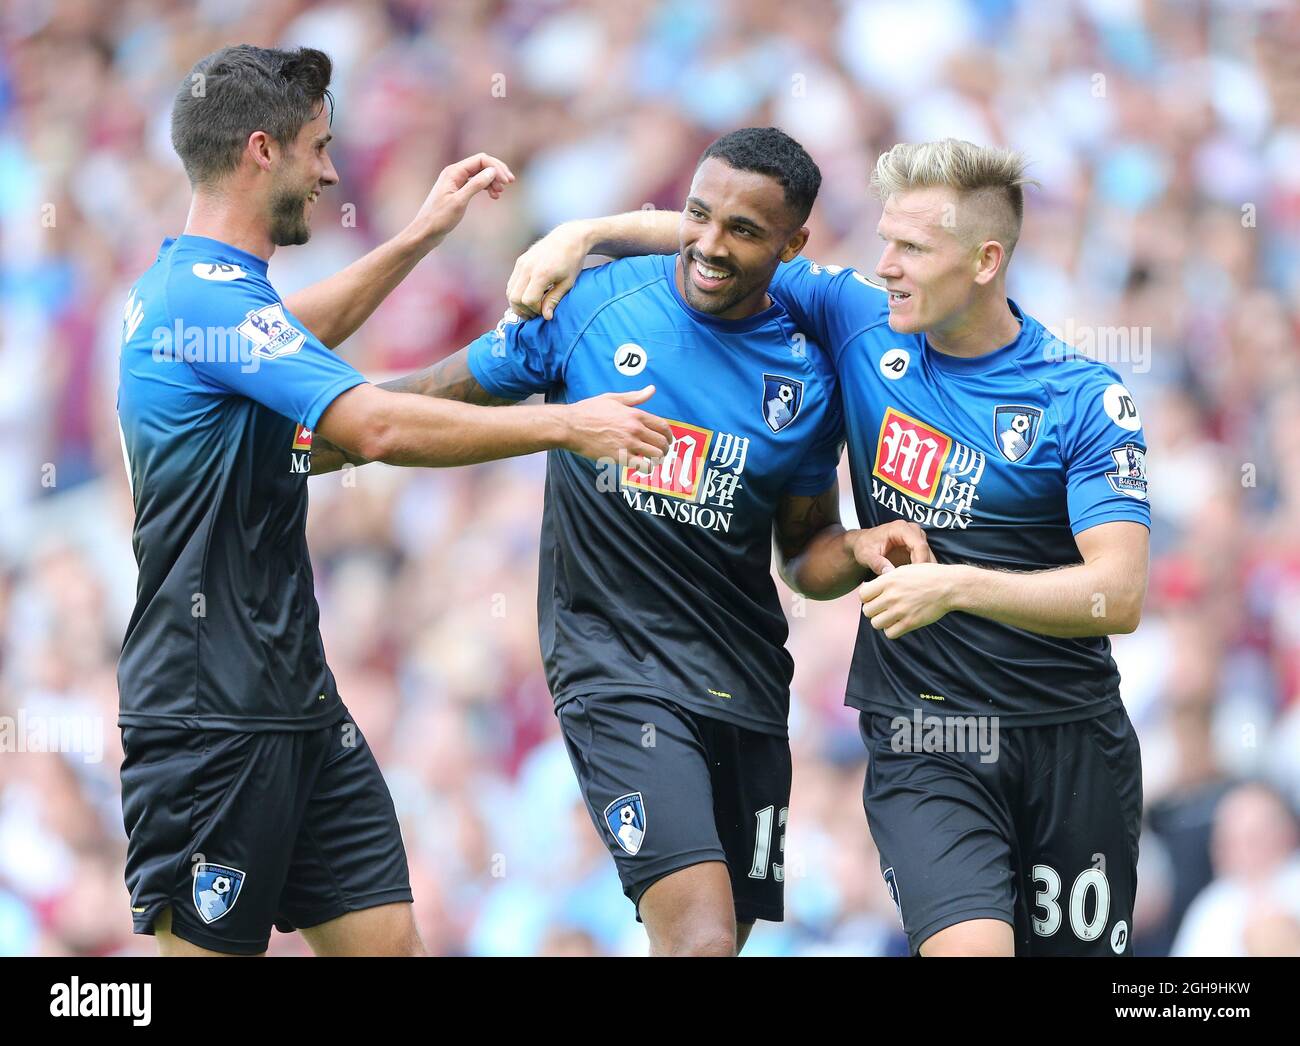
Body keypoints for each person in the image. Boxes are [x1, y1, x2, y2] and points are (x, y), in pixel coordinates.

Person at [508, 137, 1152, 956]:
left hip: (1072, 738)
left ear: (986, 260)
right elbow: (733, 234)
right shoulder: (858, 321)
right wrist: (582, 233)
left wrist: (955, 585)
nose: (885, 265)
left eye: (913, 248)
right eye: (885, 240)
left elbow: (1117, 594)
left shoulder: (1083, 396)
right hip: (928, 740)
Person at [116, 44, 671, 957]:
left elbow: (293, 330)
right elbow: (371, 429)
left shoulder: (204, 294)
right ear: (263, 150)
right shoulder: (201, 299)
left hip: (296, 697)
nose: (332, 171)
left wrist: (418, 238)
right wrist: (565, 426)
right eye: (317, 147)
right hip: (206, 709)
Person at [325, 126, 932, 955]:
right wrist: (280, 446)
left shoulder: (810, 371)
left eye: (744, 232)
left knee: (714, 945)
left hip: (747, 685)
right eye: (698, 217)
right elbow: (426, 396)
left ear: (793, 245)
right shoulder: (594, 306)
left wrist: (858, 551)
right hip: (615, 670)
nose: (710, 247)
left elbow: (803, 550)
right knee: (702, 941)